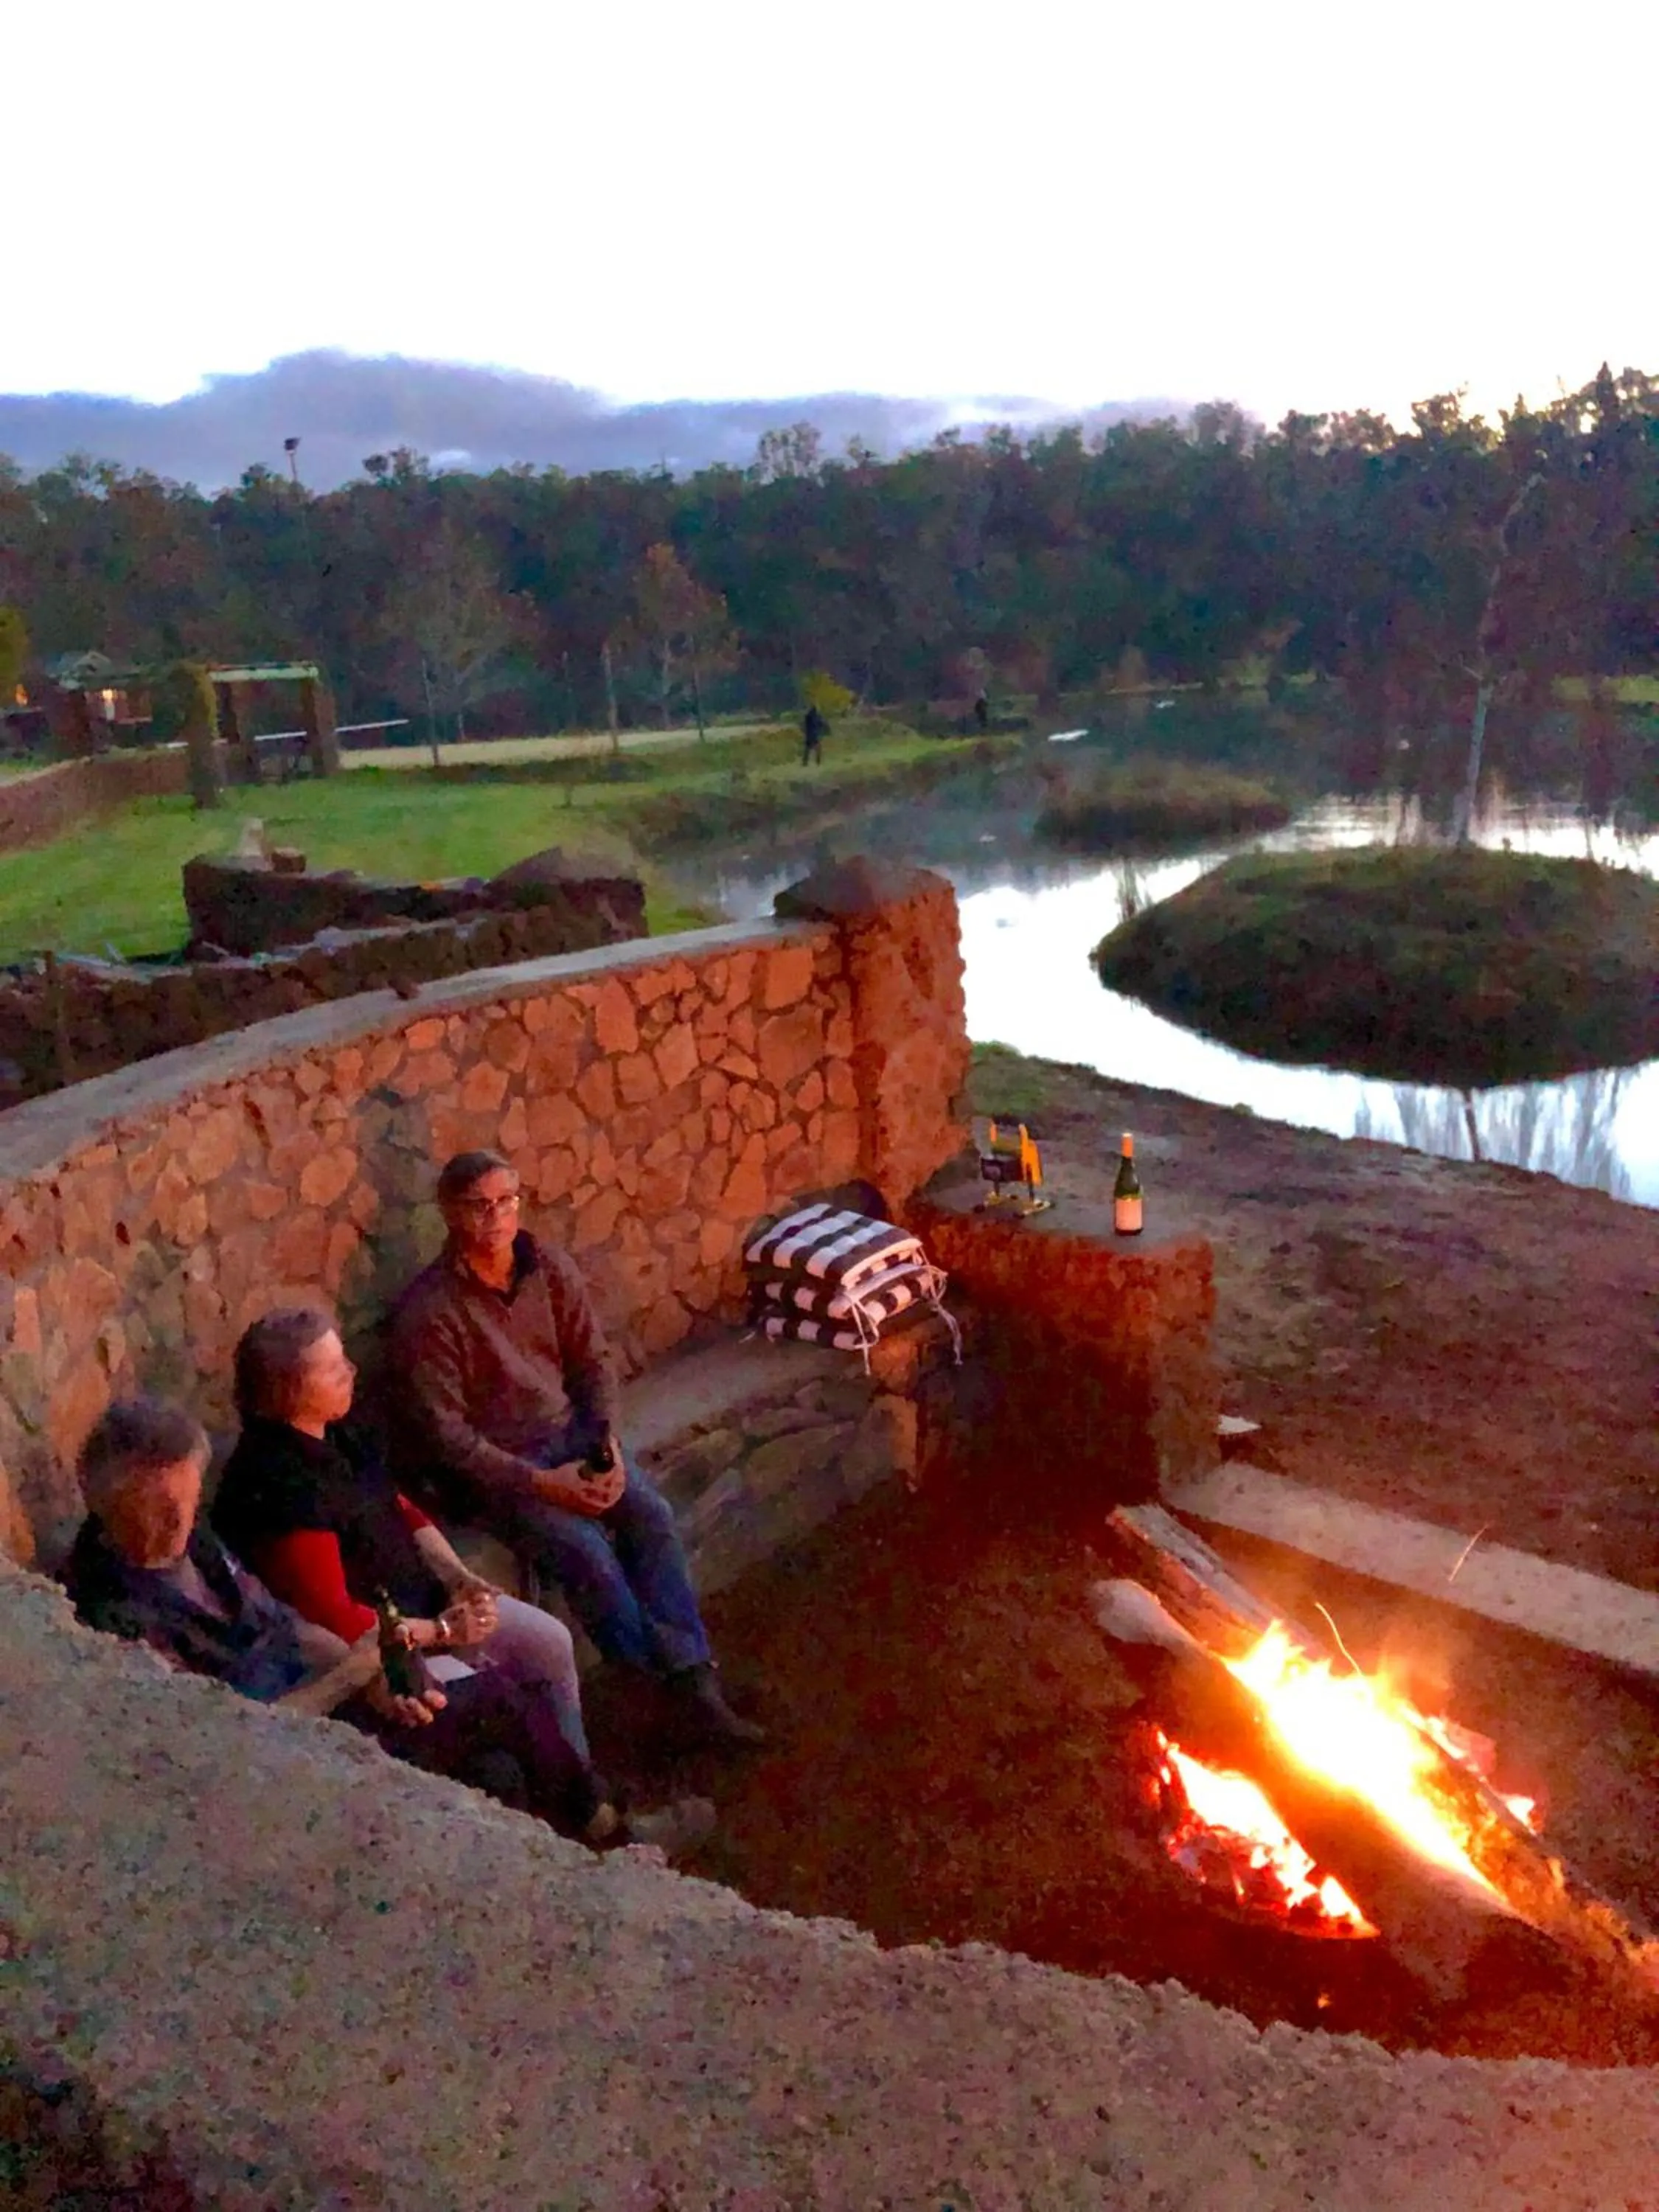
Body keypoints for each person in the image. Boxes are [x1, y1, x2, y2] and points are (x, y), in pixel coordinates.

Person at [64, 1397, 713, 1858]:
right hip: (282, 1766)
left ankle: (579, 1845)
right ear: (133, 1508)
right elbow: (222, 1742)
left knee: (498, 1767)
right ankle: (608, 1830)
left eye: (190, 1493)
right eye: (176, 1502)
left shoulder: (192, 1541)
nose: (189, 1511)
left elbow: (286, 1624)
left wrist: (370, 1673)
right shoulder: (114, 1614)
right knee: (495, 1704)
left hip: (335, 1696)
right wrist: (355, 1673)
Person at [387, 1150, 765, 1747]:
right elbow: (449, 1438)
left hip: (570, 1435)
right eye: (479, 1206)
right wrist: (545, 1485)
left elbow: (593, 1362)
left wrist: (606, 1444)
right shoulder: (430, 1312)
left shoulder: (548, 1268)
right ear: (449, 1213)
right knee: (586, 1553)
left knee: (651, 1517)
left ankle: (694, 1679)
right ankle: (666, 1692)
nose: (497, 1218)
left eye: (506, 1201)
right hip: (503, 1471)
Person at [213, 1307, 590, 1761]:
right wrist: (445, 1631)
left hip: (432, 1606)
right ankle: (585, 1813)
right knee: (504, 1714)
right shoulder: (279, 1486)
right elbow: (336, 1616)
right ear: (288, 1391)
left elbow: (401, 1509)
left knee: (551, 1643)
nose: (350, 1371)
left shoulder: (337, 1429)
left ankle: (580, 1774)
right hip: (388, 1653)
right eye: (333, 1369)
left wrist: (458, 1577)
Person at [801, 701, 827, 766]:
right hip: (813, 735)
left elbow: (805, 726)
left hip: (809, 735)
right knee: (817, 749)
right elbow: (820, 723)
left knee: (808, 750)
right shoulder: (813, 717)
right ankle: (817, 762)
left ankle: (805, 762)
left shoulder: (808, 716)